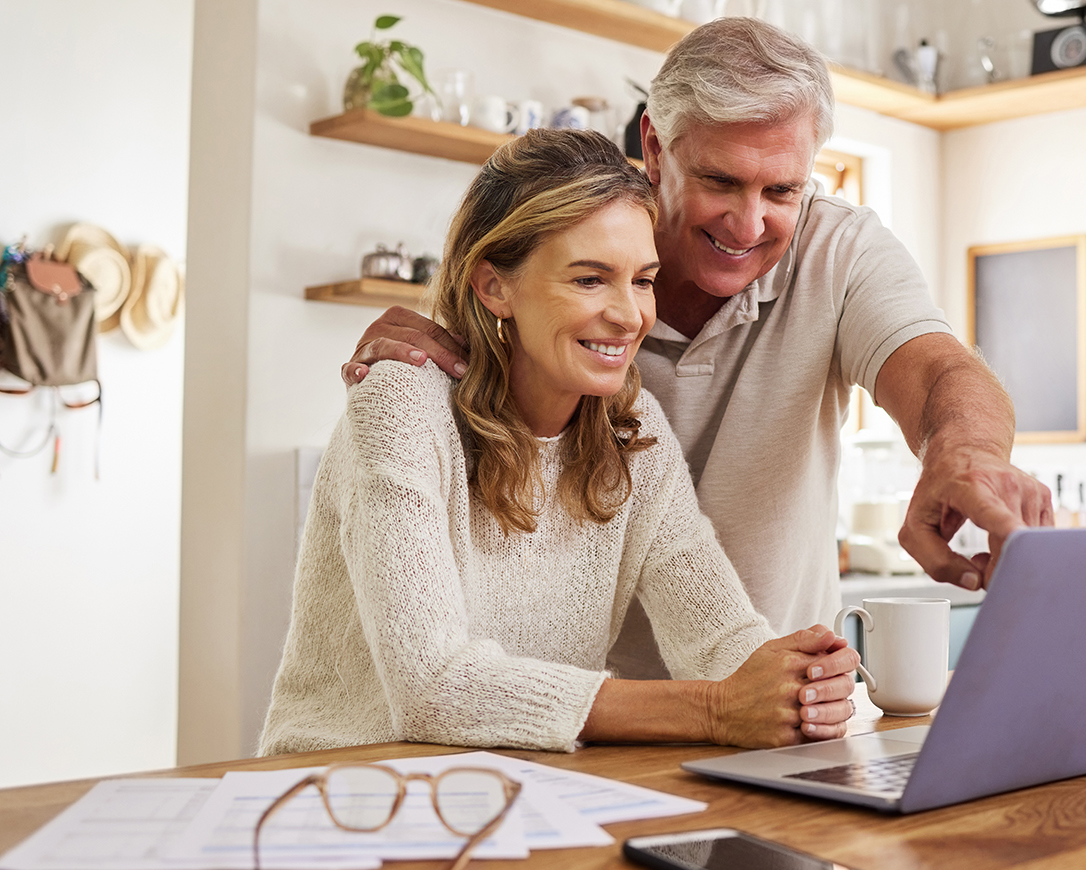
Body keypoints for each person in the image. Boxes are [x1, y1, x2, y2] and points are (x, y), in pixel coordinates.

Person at [341, 18, 1053, 680]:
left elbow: (938, 372)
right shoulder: (562, 272)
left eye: (783, 189)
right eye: (720, 180)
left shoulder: (839, 252)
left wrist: (965, 454)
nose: (749, 223)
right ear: (654, 147)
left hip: (751, 703)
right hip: (567, 717)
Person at [259, 130, 858, 756]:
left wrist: (798, 681)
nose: (630, 316)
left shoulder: (634, 432)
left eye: (643, 280)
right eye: (591, 279)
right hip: (342, 799)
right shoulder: (402, 404)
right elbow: (432, 688)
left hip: (522, 796)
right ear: (494, 286)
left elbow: (721, 643)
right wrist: (715, 709)